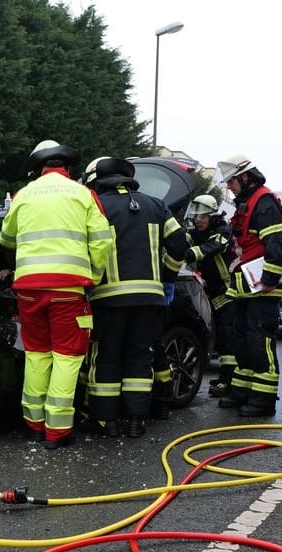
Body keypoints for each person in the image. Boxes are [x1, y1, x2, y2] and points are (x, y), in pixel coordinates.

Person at [0, 140, 112, 450]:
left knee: (36, 354)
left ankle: (34, 425)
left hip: (28, 290)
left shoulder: (23, 195)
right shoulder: (83, 194)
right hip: (67, 289)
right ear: (68, 167)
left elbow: (5, 237)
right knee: (68, 355)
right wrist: (95, 277)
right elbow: (103, 242)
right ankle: (57, 431)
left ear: (37, 168)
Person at [82, 156, 188, 438]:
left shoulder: (96, 206)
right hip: (150, 299)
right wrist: (166, 278)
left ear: (96, 180)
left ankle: (107, 422)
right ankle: (135, 420)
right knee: (139, 357)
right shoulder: (156, 205)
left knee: (107, 357)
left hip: (107, 298)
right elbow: (180, 244)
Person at [215, 155, 282, 416]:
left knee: (260, 341)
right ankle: (242, 391)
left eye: (232, 182)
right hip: (246, 286)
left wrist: (269, 279)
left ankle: (263, 400)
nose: (229, 187)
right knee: (243, 341)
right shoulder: (246, 203)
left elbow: (277, 242)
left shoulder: (264, 201)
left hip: (262, 288)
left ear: (245, 177)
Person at [184, 194, 238, 398]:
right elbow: (182, 240)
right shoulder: (195, 232)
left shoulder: (223, 232)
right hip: (209, 292)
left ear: (212, 217)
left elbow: (209, 249)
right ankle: (226, 378)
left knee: (227, 337)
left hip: (226, 292)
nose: (198, 220)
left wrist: (187, 254)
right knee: (216, 335)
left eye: (202, 217)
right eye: (195, 217)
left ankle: (228, 380)